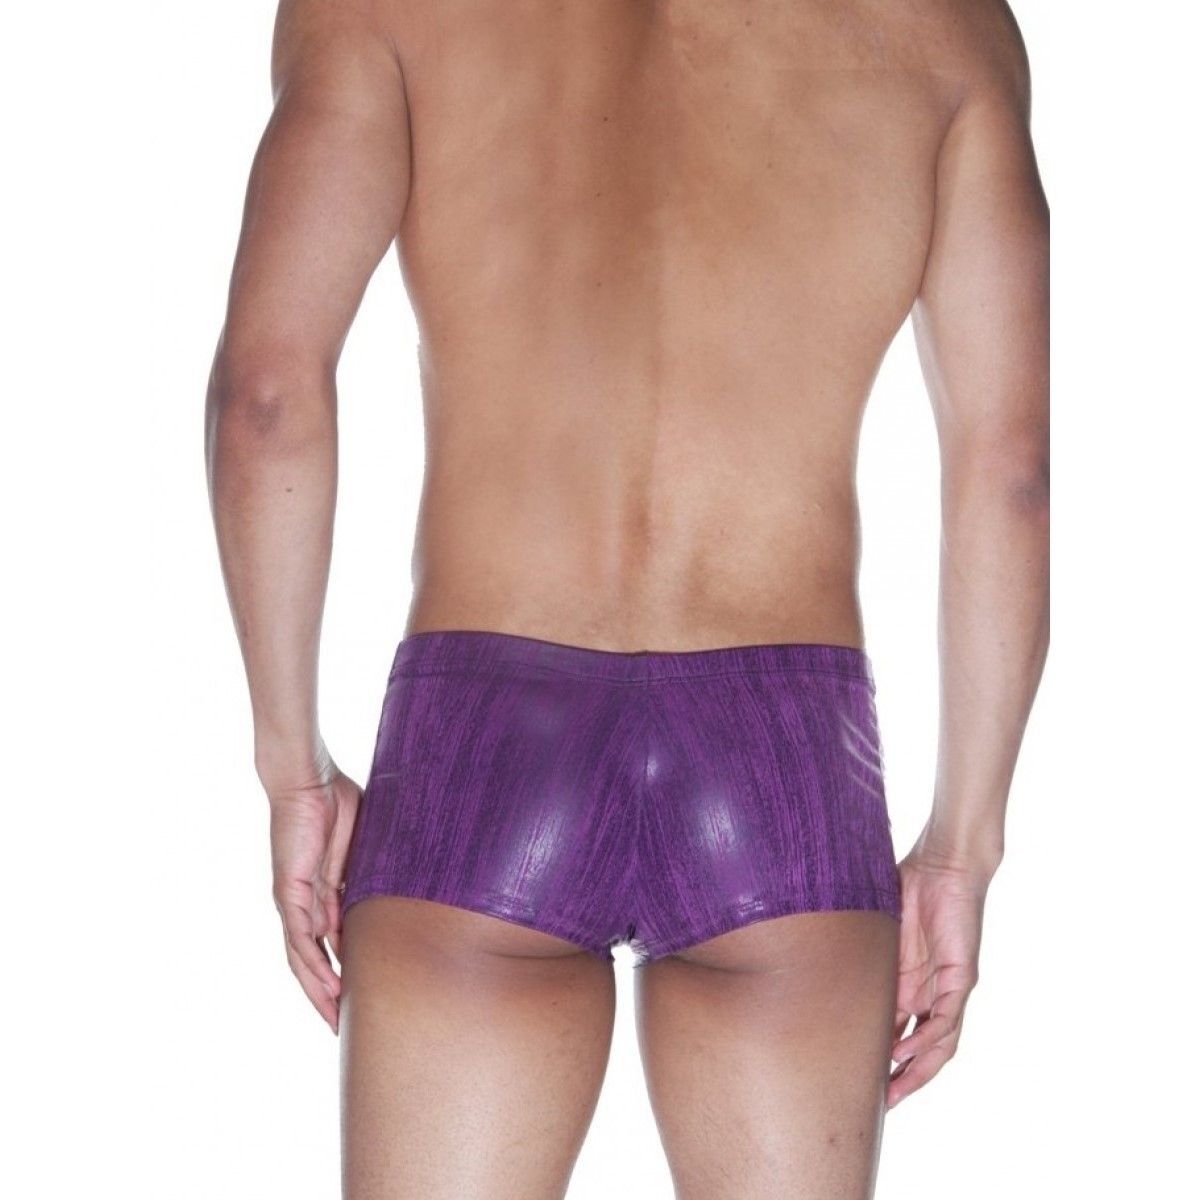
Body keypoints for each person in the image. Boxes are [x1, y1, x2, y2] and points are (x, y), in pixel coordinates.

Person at [205, 0, 1048, 1195]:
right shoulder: (944, 28)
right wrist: (963, 846)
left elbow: (266, 397)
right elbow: (1012, 473)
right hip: (785, 755)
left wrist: (293, 765)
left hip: (486, 735)